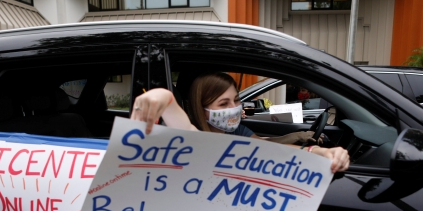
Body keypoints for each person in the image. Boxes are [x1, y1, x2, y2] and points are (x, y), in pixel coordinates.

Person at [130, 72, 349, 173]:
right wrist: (163, 97)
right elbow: (182, 125)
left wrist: (318, 153)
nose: (234, 108)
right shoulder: (194, 141)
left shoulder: (236, 133)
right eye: (223, 103)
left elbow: (267, 148)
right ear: (201, 109)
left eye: (236, 100)